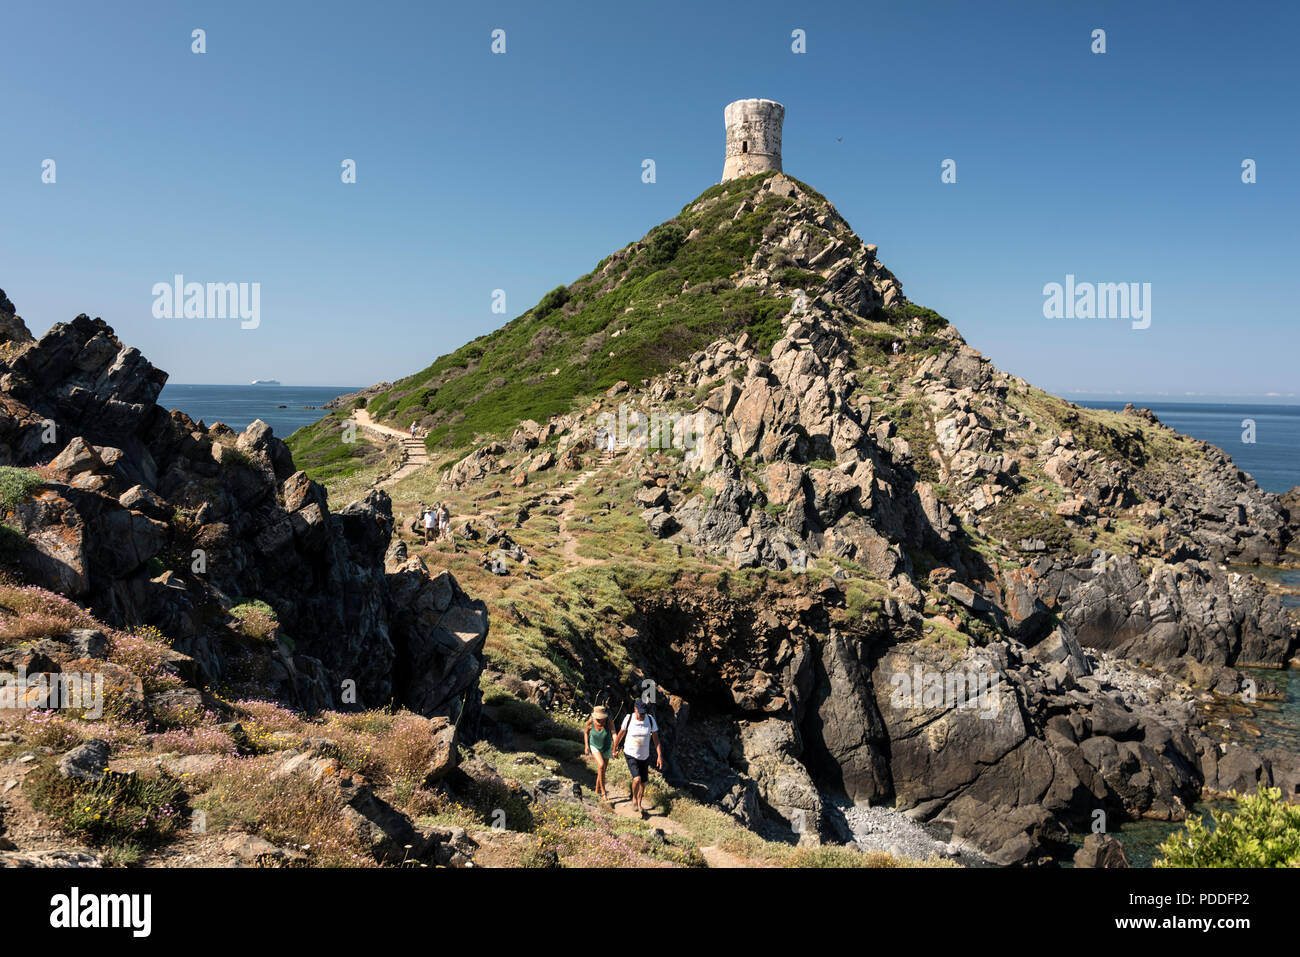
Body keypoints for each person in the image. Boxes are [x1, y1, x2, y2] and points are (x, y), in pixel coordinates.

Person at [612, 700, 662, 818]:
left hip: (644, 755)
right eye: (640, 713)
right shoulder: (629, 718)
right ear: (635, 709)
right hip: (630, 753)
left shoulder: (650, 720)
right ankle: (634, 799)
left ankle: (639, 802)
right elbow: (621, 734)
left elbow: (656, 739)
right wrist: (614, 748)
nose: (642, 715)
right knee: (637, 779)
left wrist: (659, 756)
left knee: (644, 782)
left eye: (644, 713)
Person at [584, 706, 614, 801]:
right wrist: (586, 746)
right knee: (601, 765)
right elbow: (585, 733)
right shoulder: (591, 722)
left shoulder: (609, 722)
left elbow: (614, 733)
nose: (601, 720)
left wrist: (615, 747)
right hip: (594, 745)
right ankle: (603, 792)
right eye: (599, 718)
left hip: (606, 747)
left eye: (602, 718)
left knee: (602, 771)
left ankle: (596, 791)